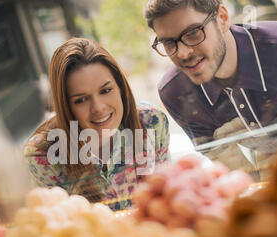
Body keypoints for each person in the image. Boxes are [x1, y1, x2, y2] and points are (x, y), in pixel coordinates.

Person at [144, 0, 277, 146]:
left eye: (193, 33)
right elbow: (225, 167)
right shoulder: (175, 92)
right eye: (168, 42)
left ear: (222, 18)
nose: (183, 53)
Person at [24, 38, 170, 210]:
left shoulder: (152, 122)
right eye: (81, 100)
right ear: (65, 106)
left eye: (106, 90)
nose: (98, 108)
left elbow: (165, 200)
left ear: (120, 88)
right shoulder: (43, 155)